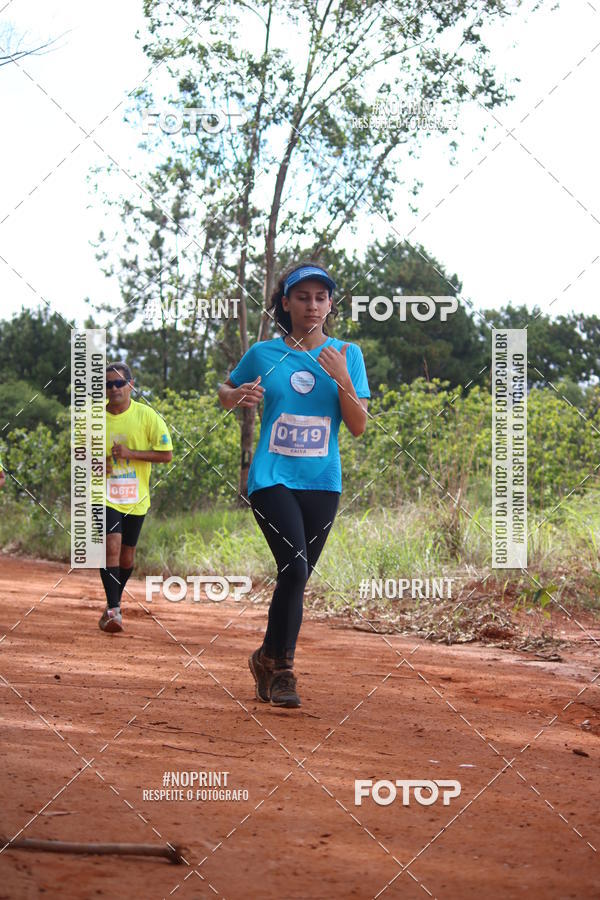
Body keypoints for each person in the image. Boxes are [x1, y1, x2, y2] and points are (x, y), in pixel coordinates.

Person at [218, 262, 370, 707]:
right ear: (285, 303)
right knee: (297, 566)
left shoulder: (348, 353)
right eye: (302, 297)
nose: (312, 305)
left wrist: (341, 376)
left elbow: (358, 425)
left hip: (323, 481)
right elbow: (225, 391)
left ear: (330, 304)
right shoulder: (264, 353)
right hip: (271, 478)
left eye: (321, 297)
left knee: (294, 576)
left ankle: (266, 657)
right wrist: (236, 395)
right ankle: (283, 670)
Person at [98, 362, 173, 633]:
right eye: (108, 384)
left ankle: (112, 602)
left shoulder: (148, 416)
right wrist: (96, 463)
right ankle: (114, 610)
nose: (114, 389)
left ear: (131, 384)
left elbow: (166, 455)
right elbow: (77, 455)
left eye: (119, 383)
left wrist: (131, 454)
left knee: (127, 556)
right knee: (112, 546)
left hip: (136, 497)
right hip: (103, 496)